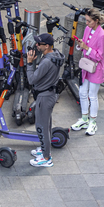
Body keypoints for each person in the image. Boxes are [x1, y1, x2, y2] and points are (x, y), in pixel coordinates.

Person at [27, 33, 65, 167]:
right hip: (50, 94)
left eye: (39, 44)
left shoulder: (47, 61)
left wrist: (30, 63)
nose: (36, 45)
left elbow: (32, 79)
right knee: (46, 125)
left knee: (41, 127)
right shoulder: (55, 55)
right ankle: (45, 149)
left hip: (45, 97)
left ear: (47, 46)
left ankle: (46, 158)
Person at [70, 8, 104, 136]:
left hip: (96, 67)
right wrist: (81, 45)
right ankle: (85, 119)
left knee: (92, 95)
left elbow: (100, 56)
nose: (87, 23)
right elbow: (84, 46)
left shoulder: (102, 35)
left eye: (89, 21)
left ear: (96, 21)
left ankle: (92, 122)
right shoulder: (87, 29)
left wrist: (86, 48)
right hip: (87, 65)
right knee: (82, 92)